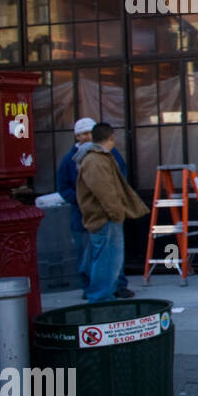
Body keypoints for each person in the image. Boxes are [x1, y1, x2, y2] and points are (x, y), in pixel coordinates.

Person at [57, 117, 132, 295]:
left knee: (112, 253)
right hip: (85, 213)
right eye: (82, 134)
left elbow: (119, 178)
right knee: (89, 254)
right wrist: (82, 199)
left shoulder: (107, 155)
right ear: (76, 137)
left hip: (106, 212)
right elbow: (63, 187)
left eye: (89, 133)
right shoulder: (72, 160)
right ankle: (93, 289)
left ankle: (116, 286)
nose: (86, 137)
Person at [76, 122, 149, 303]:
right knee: (108, 262)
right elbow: (105, 192)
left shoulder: (97, 158)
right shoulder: (96, 160)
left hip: (103, 217)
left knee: (104, 260)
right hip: (105, 218)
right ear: (111, 137)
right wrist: (117, 213)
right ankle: (100, 299)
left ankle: (100, 296)